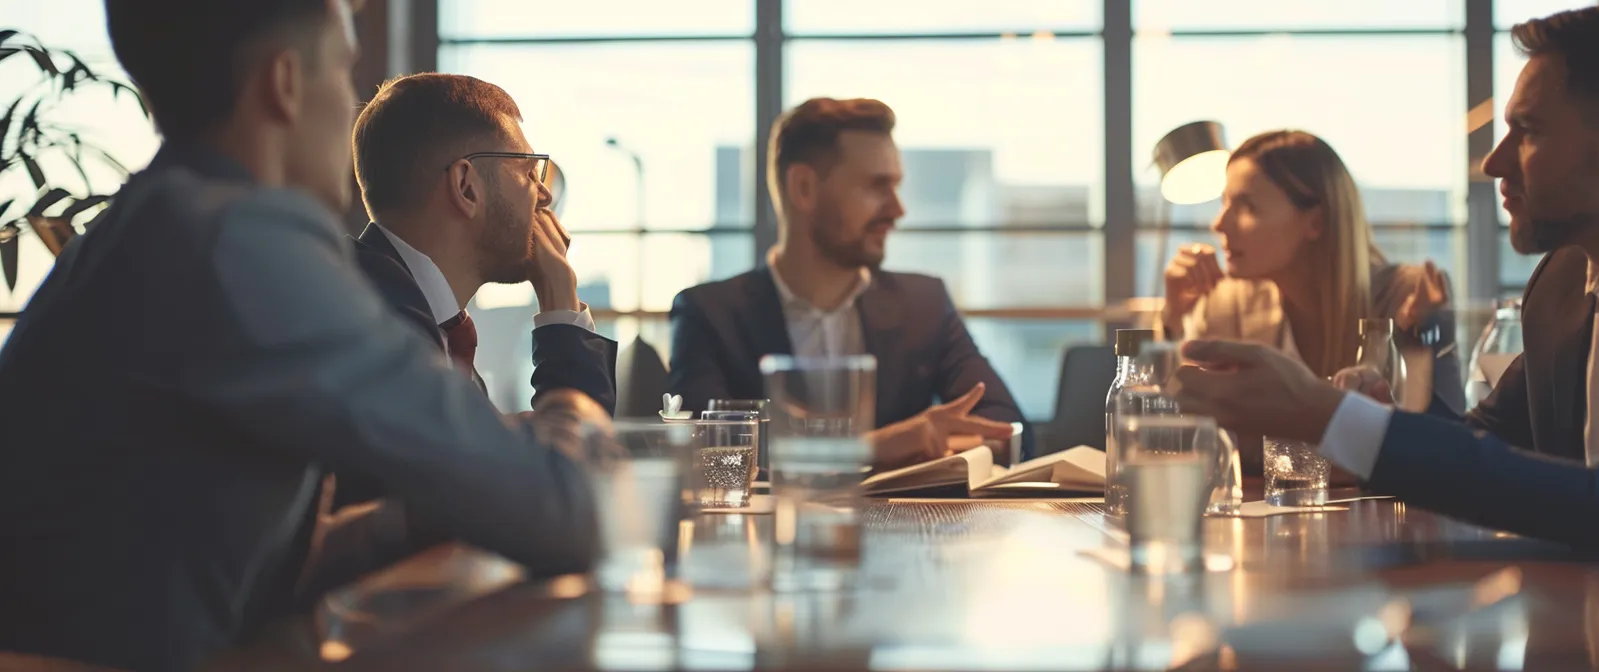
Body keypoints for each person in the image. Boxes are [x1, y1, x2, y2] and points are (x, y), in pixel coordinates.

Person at [0, 1, 606, 669]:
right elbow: (569, 515)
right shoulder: (238, 244)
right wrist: (570, 404)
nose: (350, 111)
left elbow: (232, 569)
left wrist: (411, 516)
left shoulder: (150, 227)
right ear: (284, 84)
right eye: (346, 74)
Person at [1174, 5, 1599, 575]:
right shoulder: (1561, 284)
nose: (1494, 162)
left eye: (1528, 131)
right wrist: (1379, 410)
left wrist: (1325, 412)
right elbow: (1483, 438)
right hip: (1588, 625)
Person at [666, 97, 1027, 469]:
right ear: (804, 188)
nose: (897, 209)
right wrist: (879, 446)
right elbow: (703, 451)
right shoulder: (709, 315)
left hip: (906, 527)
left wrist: (939, 441)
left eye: (896, 186)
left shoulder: (925, 304)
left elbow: (1006, 429)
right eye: (876, 186)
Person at [350, 72, 616, 411]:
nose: (545, 196)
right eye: (529, 172)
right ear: (466, 186)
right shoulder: (379, 332)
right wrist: (559, 294)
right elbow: (575, 451)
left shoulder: (416, 318)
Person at [1159, 130, 1462, 417]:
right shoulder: (1229, 303)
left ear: (1316, 222)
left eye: (1247, 206)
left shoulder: (1407, 295)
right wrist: (1173, 316)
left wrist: (1430, 333)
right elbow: (1175, 410)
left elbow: (1444, 439)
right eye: (1225, 204)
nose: (1219, 224)